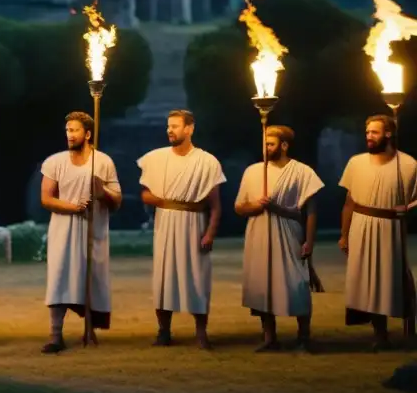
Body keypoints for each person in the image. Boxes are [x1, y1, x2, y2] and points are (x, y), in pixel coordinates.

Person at [138, 109, 225, 349]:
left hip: (194, 224)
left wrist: (210, 233)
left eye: (175, 126)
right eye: (168, 126)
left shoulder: (206, 162)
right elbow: (145, 194)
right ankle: (164, 331)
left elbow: (216, 206)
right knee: (164, 277)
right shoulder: (155, 158)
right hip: (165, 224)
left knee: (198, 278)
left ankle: (201, 333)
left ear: (189, 128)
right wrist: (162, 201)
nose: (170, 130)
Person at [234, 125, 323, 351]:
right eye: (264, 144)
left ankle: (304, 336)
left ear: (284, 145)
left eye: (270, 144)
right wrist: (255, 205)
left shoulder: (302, 172)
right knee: (262, 283)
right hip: (259, 233)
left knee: (296, 284)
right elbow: (239, 207)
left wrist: (309, 242)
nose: (266, 148)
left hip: (289, 233)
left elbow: (310, 211)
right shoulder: (253, 171)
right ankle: (269, 337)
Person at [40, 111, 122, 353]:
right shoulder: (54, 162)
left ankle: (90, 329)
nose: (69, 134)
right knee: (59, 278)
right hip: (63, 230)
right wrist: (73, 207)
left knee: (91, 278)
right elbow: (46, 198)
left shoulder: (103, 162)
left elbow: (116, 201)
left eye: (74, 130)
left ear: (87, 134)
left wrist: (102, 192)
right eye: (67, 130)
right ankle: (56, 335)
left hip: (92, 230)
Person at [339, 114, 417, 350]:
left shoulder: (408, 164)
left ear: (388, 133)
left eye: (374, 132)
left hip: (389, 227)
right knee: (366, 281)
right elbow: (349, 202)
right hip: (361, 225)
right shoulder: (356, 162)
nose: (369, 137)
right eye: (367, 133)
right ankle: (379, 334)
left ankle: (408, 327)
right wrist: (344, 234)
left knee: (390, 278)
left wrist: (408, 207)